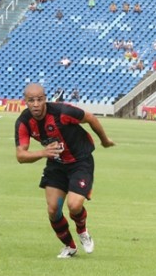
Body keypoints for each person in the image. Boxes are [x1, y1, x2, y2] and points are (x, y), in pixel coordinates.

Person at [14, 83, 115, 258]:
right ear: (26, 102)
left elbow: (90, 117)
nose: (36, 104)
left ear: (45, 99)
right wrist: (43, 152)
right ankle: (70, 246)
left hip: (80, 162)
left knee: (74, 205)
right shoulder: (24, 122)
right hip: (56, 164)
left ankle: (82, 231)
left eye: (39, 99)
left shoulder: (62, 112)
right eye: (31, 100)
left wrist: (104, 140)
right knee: (53, 210)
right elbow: (20, 156)